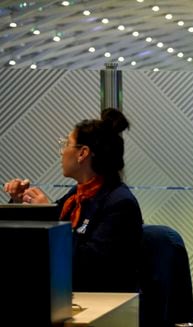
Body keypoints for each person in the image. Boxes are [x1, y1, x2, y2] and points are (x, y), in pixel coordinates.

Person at [3, 108, 143, 293]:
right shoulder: (76, 195)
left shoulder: (119, 203)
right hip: (67, 296)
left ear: (82, 153)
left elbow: (87, 266)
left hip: (104, 304)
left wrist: (50, 217)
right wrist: (20, 203)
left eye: (66, 144)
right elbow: (34, 242)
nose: (62, 153)